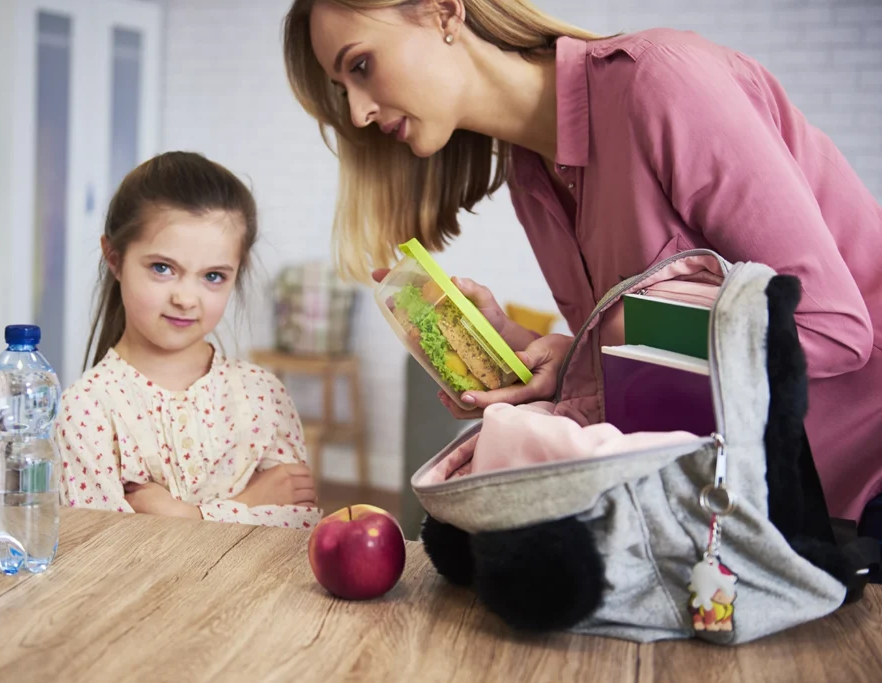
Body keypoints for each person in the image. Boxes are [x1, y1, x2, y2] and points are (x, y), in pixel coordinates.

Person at [282, 0, 882, 527]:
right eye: (343, 88)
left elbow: (833, 329)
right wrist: (563, 358)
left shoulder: (665, 82)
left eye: (360, 65)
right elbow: (660, 365)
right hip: (756, 509)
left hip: (861, 487)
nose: (358, 111)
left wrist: (615, 343)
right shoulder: (531, 178)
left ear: (443, 10)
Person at [56, 151, 322, 529]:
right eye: (162, 268)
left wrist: (186, 516)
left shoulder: (264, 395)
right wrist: (248, 504)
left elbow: (296, 534)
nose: (186, 298)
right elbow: (103, 556)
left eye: (213, 276)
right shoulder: (88, 410)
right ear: (114, 259)